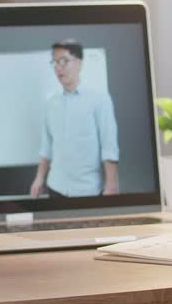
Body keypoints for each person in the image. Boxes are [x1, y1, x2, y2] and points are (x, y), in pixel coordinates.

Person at [30, 40, 120, 198]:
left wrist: (111, 186)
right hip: (55, 187)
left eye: (64, 61)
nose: (58, 67)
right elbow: (47, 145)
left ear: (79, 63)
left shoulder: (99, 99)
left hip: (88, 190)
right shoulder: (51, 102)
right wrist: (39, 178)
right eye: (55, 62)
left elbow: (109, 146)